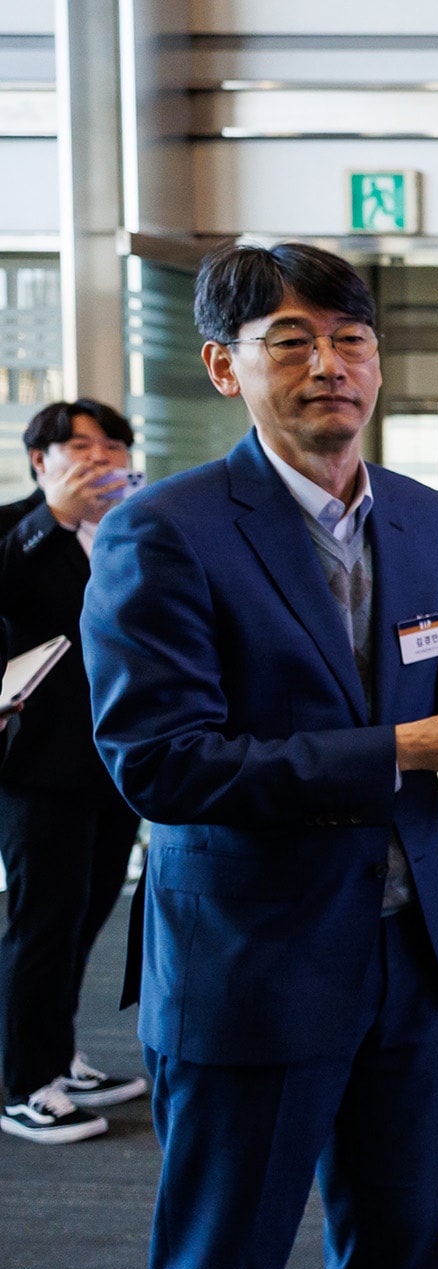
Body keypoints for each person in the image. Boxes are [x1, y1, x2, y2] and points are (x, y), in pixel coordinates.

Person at [80, 241, 438, 1269]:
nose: (328, 368)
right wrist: (407, 746)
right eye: (288, 342)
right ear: (222, 366)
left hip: (408, 958)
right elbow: (164, 763)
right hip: (250, 966)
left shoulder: (421, 512)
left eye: (349, 341)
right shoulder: (166, 533)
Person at [0, 400, 147, 1144]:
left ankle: (57, 1057)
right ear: (40, 460)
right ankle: (24, 1082)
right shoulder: (17, 529)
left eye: (113, 443)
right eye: (79, 445)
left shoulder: (133, 529)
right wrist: (51, 518)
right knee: (41, 923)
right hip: (38, 764)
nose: (101, 456)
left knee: (86, 914)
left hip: (118, 760)